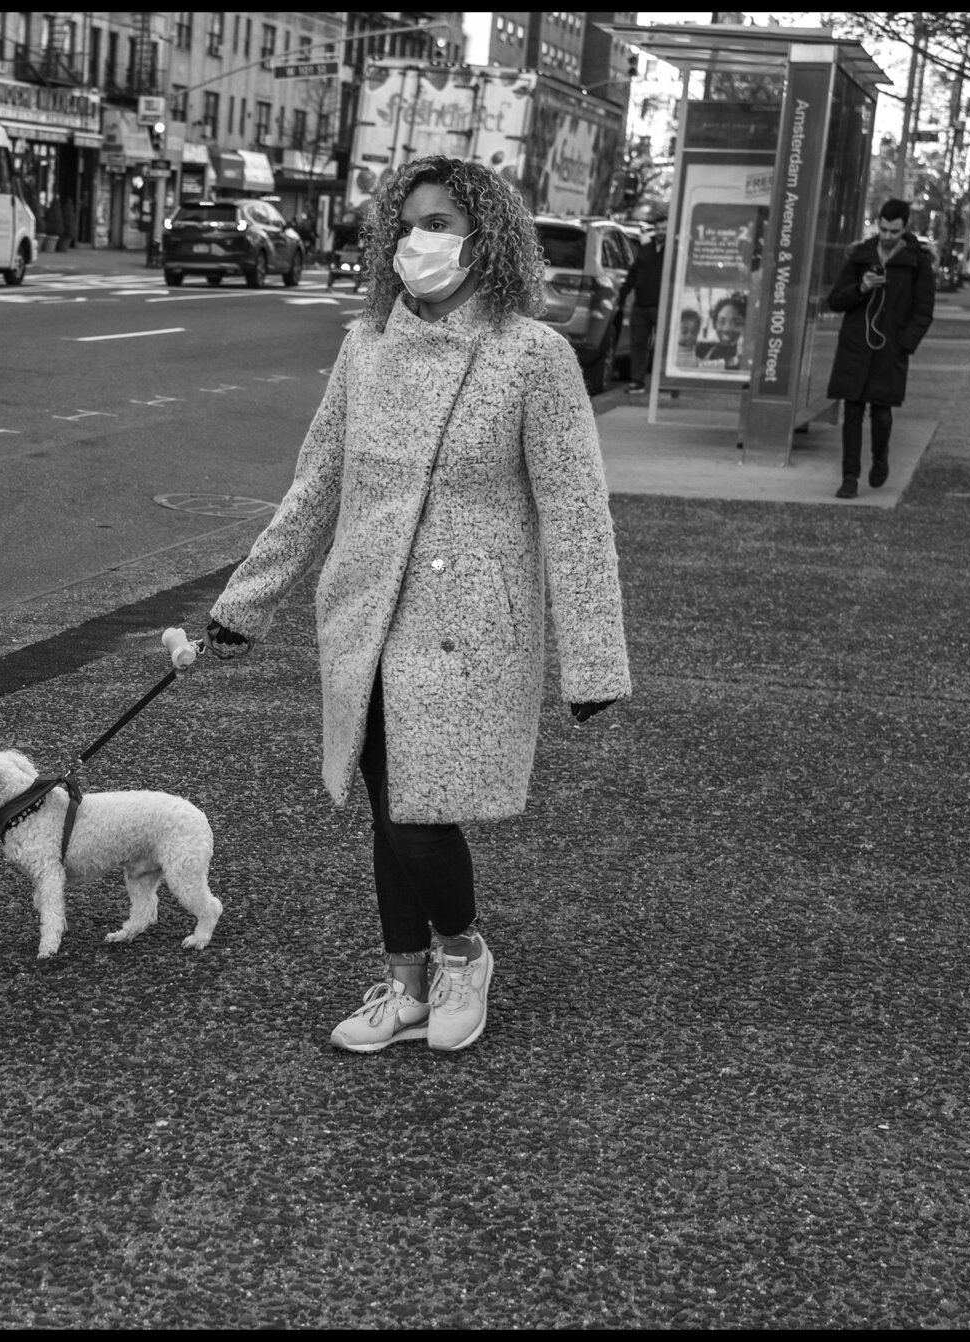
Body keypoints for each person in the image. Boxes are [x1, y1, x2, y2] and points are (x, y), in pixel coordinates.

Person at [198, 157, 630, 1055]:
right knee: (388, 799)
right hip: (366, 608)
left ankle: (463, 955)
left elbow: (577, 514)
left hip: (471, 624)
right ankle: (403, 981)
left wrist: (593, 659)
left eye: (439, 222)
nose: (415, 241)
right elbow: (315, 484)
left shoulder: (533, 357)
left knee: (417, 813)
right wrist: (247, 600)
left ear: (487, 239)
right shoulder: (368, 346)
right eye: (405, 222)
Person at [824, 198, 935, 499]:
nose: (887, 237)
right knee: (853, 411)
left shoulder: (917, 262)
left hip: (890, 346)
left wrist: (905, 344)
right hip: (856, 344)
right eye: (883, 229)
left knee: (882, 411)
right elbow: (835, 300)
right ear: (878, 225)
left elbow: (924, 309)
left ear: (904, 229)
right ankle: (849, 477)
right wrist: (861, 288)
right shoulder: (860, 256)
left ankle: (880, 458)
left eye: (894, 232)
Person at [622, 227, 666, 394]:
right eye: (660, 227)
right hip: (641, 304)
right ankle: (637, 381)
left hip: (661, 305)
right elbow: (634, 272)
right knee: (638, 344)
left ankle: (662, 380)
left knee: (661, 345)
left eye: (666, 226)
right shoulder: (646, 249)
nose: (662, 231)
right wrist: (623, 294)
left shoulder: (673, 250)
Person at [697, 293, 748, 369]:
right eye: (721, 322)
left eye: (737, 323)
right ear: (714, 324)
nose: (727, 329)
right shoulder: (702, 350)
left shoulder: (748, 357)